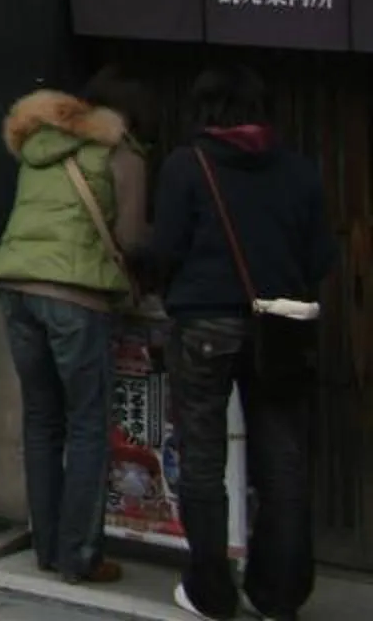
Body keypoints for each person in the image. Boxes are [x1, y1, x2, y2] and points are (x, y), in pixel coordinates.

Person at [141, 65, 335, 621]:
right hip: (281, 326)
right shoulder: (299, 171)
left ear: (203, 110)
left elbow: (166, 248)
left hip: (204, 325)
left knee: (202, 458)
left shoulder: (187, 165)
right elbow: (322, 256)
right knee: (285, 459)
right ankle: (278, 595)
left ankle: (211, 593)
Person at [0, 68, 149, 586]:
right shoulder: (121, 152)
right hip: (76, 297)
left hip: (15, 287)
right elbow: (131, 237)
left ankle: (47, 547)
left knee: (41, 419)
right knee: (86, 425)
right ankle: (79, 555)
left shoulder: (39, 148)